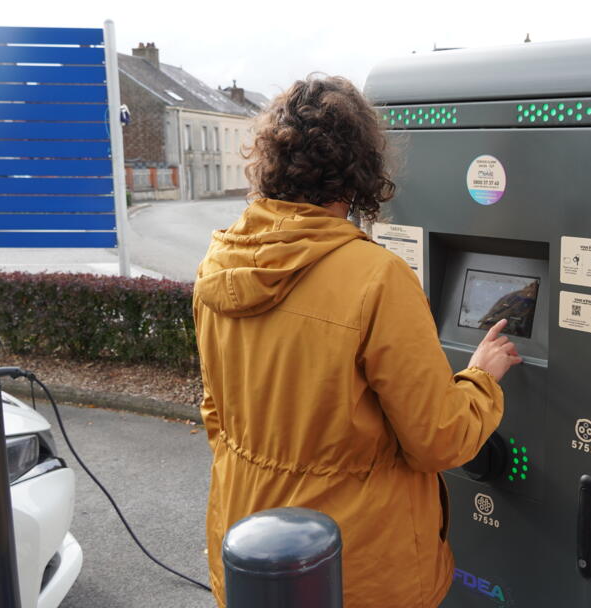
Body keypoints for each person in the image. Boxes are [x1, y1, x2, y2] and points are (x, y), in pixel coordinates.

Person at [193, 74, 522, 608]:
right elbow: (440, 439)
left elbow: (215, 414)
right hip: (355, 569)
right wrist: (481, 378)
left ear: (269, 164)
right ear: (358, 172)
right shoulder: (376, 278)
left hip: (253, 553)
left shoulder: (219, 265)